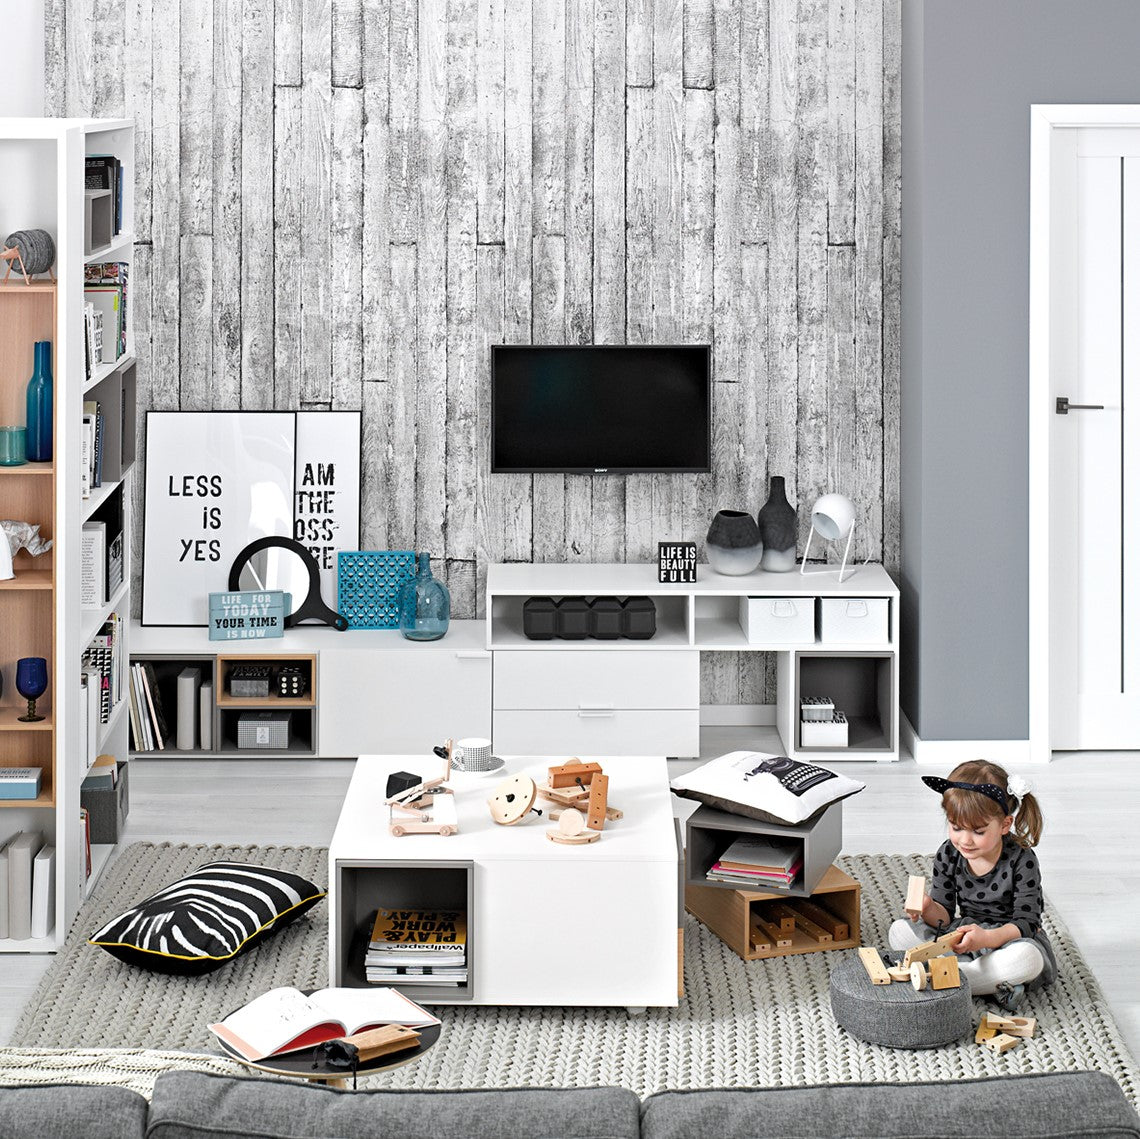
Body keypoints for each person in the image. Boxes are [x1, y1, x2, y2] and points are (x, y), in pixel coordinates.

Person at [888, 759, 1055, 1011]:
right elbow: (943, 917)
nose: (965, 840)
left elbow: (1027, 923)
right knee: (899, 931)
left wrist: (987, 937)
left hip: (1008, 938)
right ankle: (983, 981)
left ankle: (947, 977)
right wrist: (928, 907)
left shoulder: (1022, 859)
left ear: (1005, 825)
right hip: (964, 936)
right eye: (956, 828)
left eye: (978, 831)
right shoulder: (949, 853)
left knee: (1028, 959)